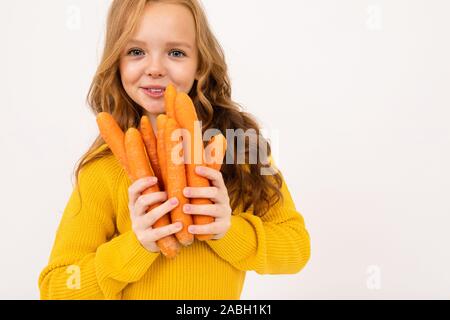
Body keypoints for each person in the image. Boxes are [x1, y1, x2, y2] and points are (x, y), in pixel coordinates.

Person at [38, 0, 310, 300]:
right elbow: (56, 289)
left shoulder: (240, 147)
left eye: (176, 53)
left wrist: (228, 230)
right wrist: (137, 245)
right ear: (117, 62)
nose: (155, 68)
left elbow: (297, 248)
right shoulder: (103, 169)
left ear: (200, 66)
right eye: (136, 51)